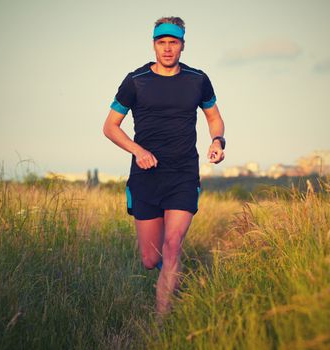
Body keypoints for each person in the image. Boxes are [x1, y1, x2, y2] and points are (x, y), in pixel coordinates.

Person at [103, 16, 226, 315]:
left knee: (172, 246)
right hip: (145, 177)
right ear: (154, 44)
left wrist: (218, 141)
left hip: (183, 174)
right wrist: (137, 150)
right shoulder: (136, 80)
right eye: (162, 43)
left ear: (183, 45)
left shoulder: (198, 80)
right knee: (150, 258)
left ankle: (161, 327)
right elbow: (110, 126)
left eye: (173, 42)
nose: (168, 49)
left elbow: (213, 118)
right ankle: (173, 275)